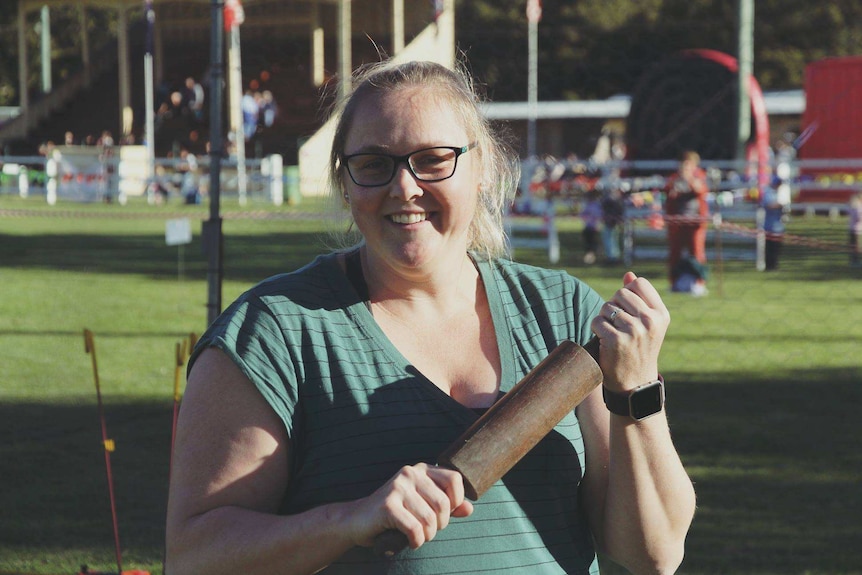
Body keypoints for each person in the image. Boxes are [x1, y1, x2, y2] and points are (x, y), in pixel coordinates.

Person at [165, 60, 696, 575]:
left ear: (481, 165)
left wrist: (635, 393)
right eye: (374, 164)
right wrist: (350, 520)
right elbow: (194, 558)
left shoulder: (563, 314)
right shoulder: (273, 332)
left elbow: (653, 555)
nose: (404, 188)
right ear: (345, 183)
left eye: (434, 159)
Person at [664, 150, 710, 295]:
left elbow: (701, 191)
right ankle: (674, 282)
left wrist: (689, 179)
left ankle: (699, 283)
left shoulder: (699, 176)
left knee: (696, 252)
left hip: (695, 222)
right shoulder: (674, 178)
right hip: (677, 222)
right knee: (675, 253)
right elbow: (668, 193)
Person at [580, 190, 603, 264]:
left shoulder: (596, 205)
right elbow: (582, 215)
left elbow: (598, 216)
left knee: (593, 243)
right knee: (588, 243)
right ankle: (590, 257)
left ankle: (593, 257)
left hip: (594, 227)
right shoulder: (588, 205)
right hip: (588, 227)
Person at [850, 191, 862, 268]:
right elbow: (858, 217)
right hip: (857, 230)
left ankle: (854, 261)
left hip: (854, 229)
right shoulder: (858, 206)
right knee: (856, 246)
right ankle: (855, 262)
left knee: (854, 246)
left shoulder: (855, 206)